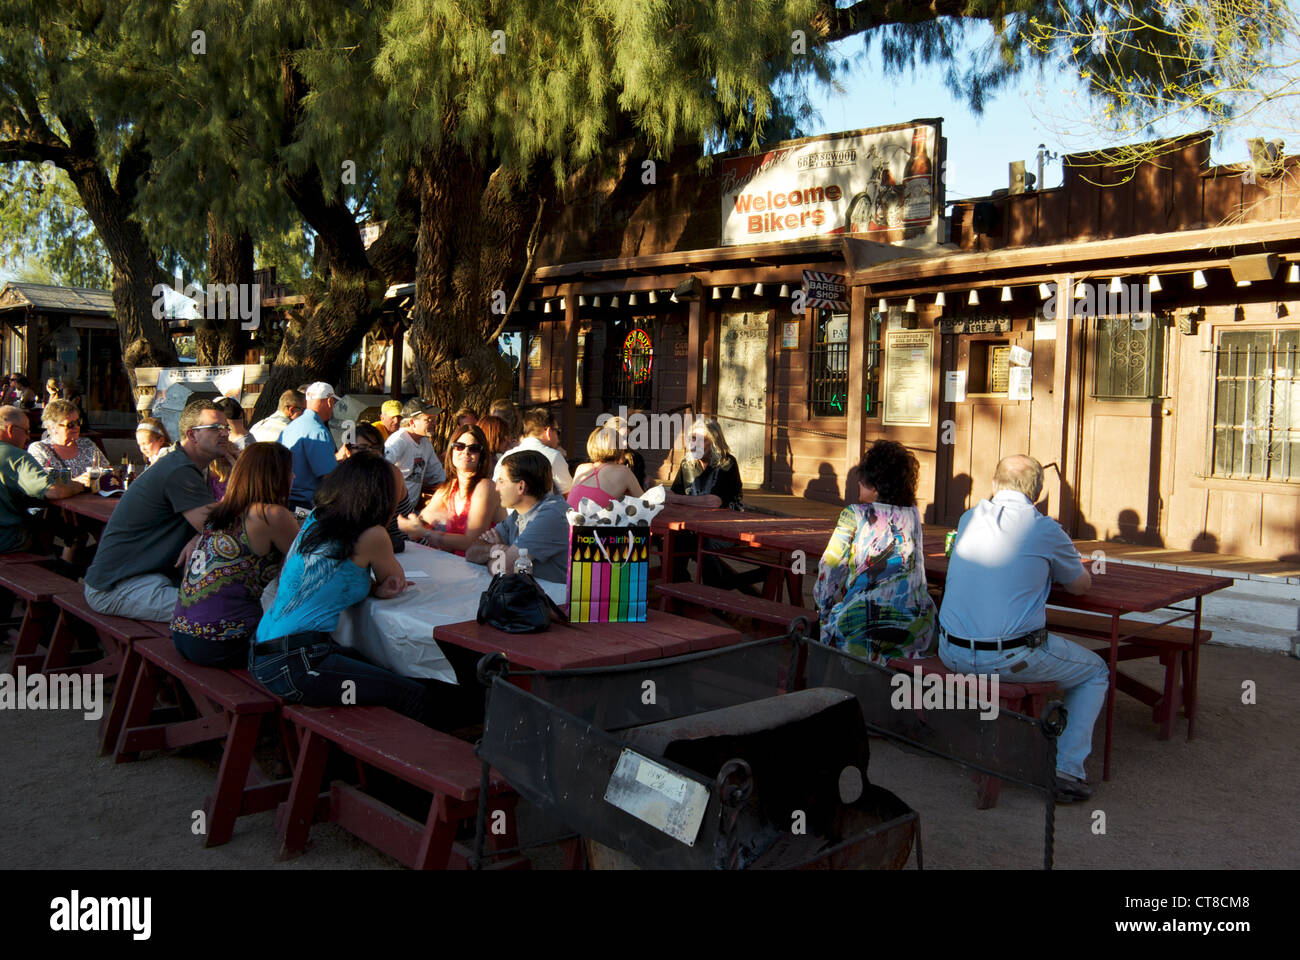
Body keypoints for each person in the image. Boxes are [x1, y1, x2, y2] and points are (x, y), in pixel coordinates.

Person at [938, 454, 1104, 802]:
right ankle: (1066, 772)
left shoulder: (970, 517)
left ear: (995, 485)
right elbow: (1080, 586)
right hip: (1004, 658)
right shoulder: (1044, 528)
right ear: (1038, 493)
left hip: (948, 651)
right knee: (1095, 672)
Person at [248, 455, 436, 724]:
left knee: (381, 669)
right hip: (297, 663)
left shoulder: (316, 518)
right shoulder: (373, 535)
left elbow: (342, 576)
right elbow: (395, 580)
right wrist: (381, 587)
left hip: (264, 653)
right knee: (413, 696)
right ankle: (399, 761)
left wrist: (374, 589)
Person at [82, 401, 229, 621]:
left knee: (227, 599)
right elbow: (222, 532)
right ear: (192, 435)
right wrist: (242, 472)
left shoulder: (188, 466)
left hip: (147, 576)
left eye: (226, 428)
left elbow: (210, 527)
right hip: (117, 586)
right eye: (216, 428)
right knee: (223, 612)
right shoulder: (179, 471)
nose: (225, 434)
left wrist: (199, 534)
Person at [171, 443, 299, 668]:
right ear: (274, 475)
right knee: (311, 651)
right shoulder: (272, 515)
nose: (293, 476)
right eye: (289, 470)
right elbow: (308, 563)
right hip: (224, 642)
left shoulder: (221, 511)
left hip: (183, 635)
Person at [814, 440, 937, 663]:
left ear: (876, 486)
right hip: (916, 628)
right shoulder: (912, 515)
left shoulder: (854, 514)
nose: (859, 481)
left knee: (834, 629)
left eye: (864, 479)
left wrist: (824, 613)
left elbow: (829, 571)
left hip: (862, 627)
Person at [467, 450, 569, 583]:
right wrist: (495, 549)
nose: (497, 488)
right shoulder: (518, 514)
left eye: (502, 481)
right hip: (531, 596)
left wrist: (500, 555)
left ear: (521, 487)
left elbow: (502, 570)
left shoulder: (551, 515)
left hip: (555, 601)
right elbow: (471, 552)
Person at [398, 424, 499, 555]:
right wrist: (410, 524)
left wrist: (425, 533)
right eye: (459, 446)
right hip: (461, 565)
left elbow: (472, 542)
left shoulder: (486, 487)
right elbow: (423, 520)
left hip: (487, 568)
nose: (465, 452)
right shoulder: (449, 488)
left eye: (474, 448)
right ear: (451, 451)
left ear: (482, 456)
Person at [0, 406, 87, 553]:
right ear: (10, 430)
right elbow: (53, 491)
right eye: (26, 431)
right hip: (7, 540)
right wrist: (80, 485)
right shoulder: (15, 455)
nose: (28, 437)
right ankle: (59, 569)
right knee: (52, 530)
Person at [342, 423, 410, 552]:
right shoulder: (344, 473)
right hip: (365, 542)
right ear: (348, 451)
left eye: (375, 448)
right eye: (362, 448)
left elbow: (382, 521)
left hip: (401, 545)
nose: (370, 453)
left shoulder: (391, 474)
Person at [279, 381, 343, 509]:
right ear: (330, 401)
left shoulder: (290, 427)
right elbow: (328, 476)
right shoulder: (318, 431)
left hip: (284, 501)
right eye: (334, 403)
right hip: (305, 505)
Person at [492, 406, 572, 495]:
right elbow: (569, 495)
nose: (558, 439)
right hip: (540, 508)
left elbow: (494, 489)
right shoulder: (553, 456)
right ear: (548, 432)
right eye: (557, 432)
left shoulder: (506, 456)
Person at [384, 398, 446, 507]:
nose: (434, 423)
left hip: (410, 511)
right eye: (428, 419)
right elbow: (381, 468)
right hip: (392, 511)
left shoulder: (425, 442)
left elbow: (437, 474)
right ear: (412, 422)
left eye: (434, 419)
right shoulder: (398, 441)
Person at [27, 399, 110, 478]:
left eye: (78, 422)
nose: (76, 427)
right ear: (53, 427)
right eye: (70, 424)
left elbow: (107, 471)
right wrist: (77, 483)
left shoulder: (87, 444)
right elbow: (42, 483)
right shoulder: (40, 449)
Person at [567, 423, 643, 509]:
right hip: (592, 522)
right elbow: (645, 505)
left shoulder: (581, 468)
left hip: (567, 521)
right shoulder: (624, 472)